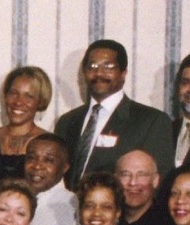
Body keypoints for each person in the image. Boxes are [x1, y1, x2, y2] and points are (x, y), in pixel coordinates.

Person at [55, 39, 175, 189]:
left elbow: (161, 181)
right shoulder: (66, 122)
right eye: (92, 66)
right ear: (84, 72)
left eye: (108, 67)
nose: (99, 73)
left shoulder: (152, 121)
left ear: (123, 73)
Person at [21, 134, 79, 225]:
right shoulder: (15, 198)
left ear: (64, 167)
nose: (37, 166)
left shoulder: (72, 205)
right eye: (31, 158)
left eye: (48, 160)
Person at [0, 66, 53, 180]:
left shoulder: (48, 142)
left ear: (40, 101)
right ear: (5, 96)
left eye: (29, 96)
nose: (18, 102)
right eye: (13, 93)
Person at [114, 149, 174, 225]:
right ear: (115, 179)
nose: (133, 182)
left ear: (155, 180)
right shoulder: (106, 222)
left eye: (141, 175)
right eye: (125, 175)